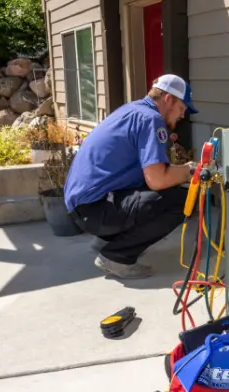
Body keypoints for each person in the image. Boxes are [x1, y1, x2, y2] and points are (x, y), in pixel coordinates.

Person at [64, 74, 198, 279]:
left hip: (84, 206)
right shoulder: (151, 119)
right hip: (94, 209)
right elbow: (158, 180)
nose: (182, 115)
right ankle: (116, 255)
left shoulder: (133, 110)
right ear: (168, 99)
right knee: (182, 199)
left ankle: (111, 240)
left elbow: (148, 170)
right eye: (181, 108)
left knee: (163, 191)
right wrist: (190, 170)